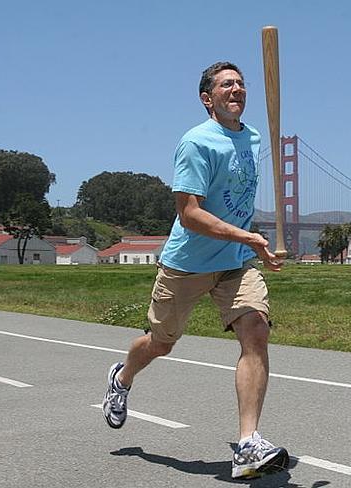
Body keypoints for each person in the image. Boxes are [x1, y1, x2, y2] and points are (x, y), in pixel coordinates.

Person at [101, 61, 289, 480]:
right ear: (208, 98)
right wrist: (249, 238)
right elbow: (189, 214)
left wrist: (258, 244)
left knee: (256, 330)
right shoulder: (195, 143)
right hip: (188, 264)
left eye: (240, 83)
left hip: (235, 264)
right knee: (160, 343)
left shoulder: (256, 136)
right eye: (226, 85)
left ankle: (247, 444)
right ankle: (123, 375)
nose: (236, 89)